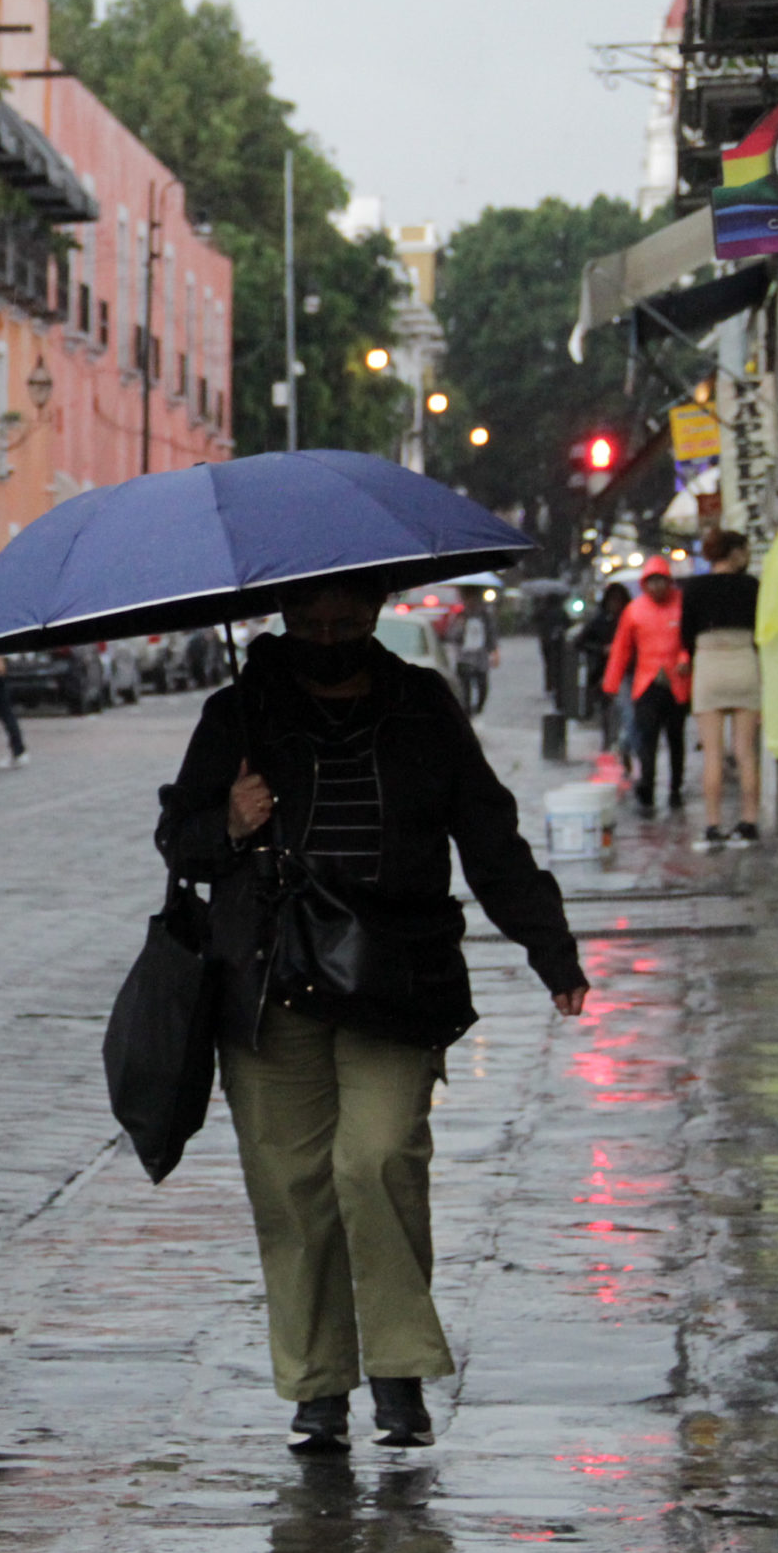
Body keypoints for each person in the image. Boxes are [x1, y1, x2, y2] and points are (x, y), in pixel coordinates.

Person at [158, 573, 586, 1452]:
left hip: (397, 975)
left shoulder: (423, 703)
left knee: (378, 1156)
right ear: (284, 619)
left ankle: (396, 1363)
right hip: (272, 977)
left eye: (345, 617)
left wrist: (551, 947)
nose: (327, 633)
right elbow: (179, 838)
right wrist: (230, 824)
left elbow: (489, 835)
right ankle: (318, 1387)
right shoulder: (238, 712)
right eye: (311, 619)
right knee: (292, 1184)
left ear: (376, 612)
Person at [683, 530, 761, 846]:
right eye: (744, 549)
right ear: (734, 552)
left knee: (713, 753)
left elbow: (686, 633)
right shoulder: (751, 585)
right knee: (745, 751)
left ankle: (713, 824)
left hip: (709, 663)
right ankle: (749, 821)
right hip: (743, 659)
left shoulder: (695, 587)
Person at [602, 556, 691, 816]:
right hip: (647, 684)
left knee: (676, 738)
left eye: (661, 581)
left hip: (677, 683)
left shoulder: (682, 605)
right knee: (647, 738)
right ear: (644, 584)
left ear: (669, 581)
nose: (657, 587)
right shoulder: (635, 611)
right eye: (651, 582)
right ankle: (648, 787)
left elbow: (689, 639)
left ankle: (675, 787)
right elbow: (622, 649)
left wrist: (685, 659)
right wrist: (612, 682)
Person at [577, 581, 632, 771]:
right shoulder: (599, 621)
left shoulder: (629, 618)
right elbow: (581, 641)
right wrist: (602, 650)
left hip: (626, 673)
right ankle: (609, 748)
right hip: (603, 673)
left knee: (625, 713)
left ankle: (623, 750)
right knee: (608, 713)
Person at [448, 601, 497, 716]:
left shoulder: (485, 616)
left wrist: (494, 651)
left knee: (482, 686)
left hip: (481, 657)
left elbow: (491, 635)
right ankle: (467, 710)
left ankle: (478, 708)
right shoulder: (460, 616)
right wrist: (460, 625)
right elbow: (451, 635)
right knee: (465, 686)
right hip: (464, 657)